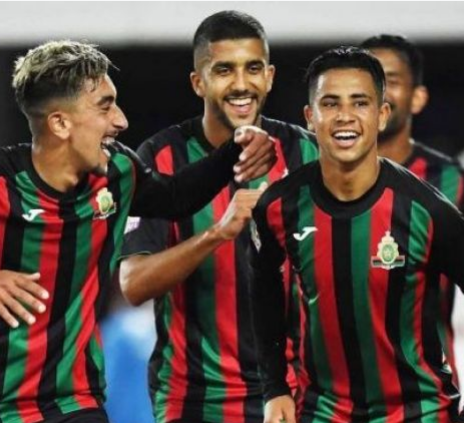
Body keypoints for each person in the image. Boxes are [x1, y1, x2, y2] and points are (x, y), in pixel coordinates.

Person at [0, 40, 275, 423]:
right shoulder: (5, 182)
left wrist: (236, 146)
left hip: (73, 401)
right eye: (105, 106)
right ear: (60, 123)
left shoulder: (117, 173)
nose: (121, 121)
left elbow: (175, 197)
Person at [119, 10, 318, 423]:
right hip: (195, 401)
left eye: (253, 69)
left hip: (295, 395)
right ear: (198, 82)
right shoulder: (160, 157)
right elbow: (133, 285)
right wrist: (217, 233)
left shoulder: (308, 155)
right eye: (224, 70)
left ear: (270, 77)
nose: (241, 84)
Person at [252, 46, 464, 423]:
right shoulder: (279, 206)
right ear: (310, 117)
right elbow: (264, 296)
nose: (345, 116)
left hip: (420, 411)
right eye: (330, 103)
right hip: (323, 411)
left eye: (360, 103)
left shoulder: (426, 211)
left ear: (382, 115)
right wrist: (274, 388)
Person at [361, 34, 464, 388]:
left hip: (427, 393)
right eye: (368, 80)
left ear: (418, 97)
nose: (378, 92)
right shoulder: (312, 178)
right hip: (329, 399)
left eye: (390, 80)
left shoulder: (452, 181)